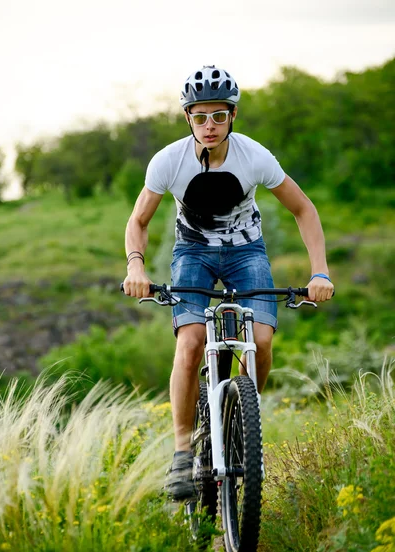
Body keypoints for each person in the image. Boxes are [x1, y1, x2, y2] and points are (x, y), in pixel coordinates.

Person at [123, 65, 334, 500]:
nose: (210, 126)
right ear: (188, 119)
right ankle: (183, 453)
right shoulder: (168, 161)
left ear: (233, 116)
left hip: (246, 251)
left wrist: (320, 271)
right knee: (191, 342)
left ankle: (244, 416)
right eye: (200, 117)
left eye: (219, 116)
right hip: (192, 253)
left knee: (261, 338)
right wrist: (136, 267)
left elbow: (304, 210)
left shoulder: (254, 156)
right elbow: (138, 220)